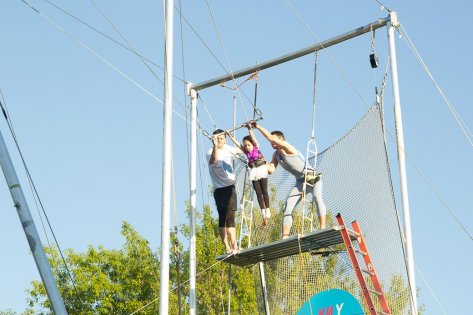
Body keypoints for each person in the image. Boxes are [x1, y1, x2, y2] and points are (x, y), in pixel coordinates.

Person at [251, 121, 327, 239]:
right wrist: (259, 162)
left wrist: (258, 127)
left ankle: (322, 227)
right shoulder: (276, 155)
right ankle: (285, 236)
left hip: (313, 177)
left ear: (281, 140)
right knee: (287, 207)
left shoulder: (288, 147)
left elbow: (270, 137)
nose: (271, 143)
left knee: (317, 197)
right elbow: (271, 169)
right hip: (300, 181)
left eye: (274, 140)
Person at [227, 125, 271, 226]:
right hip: (254, 171)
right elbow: (237, 143)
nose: (247, 147)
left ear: (252, 144)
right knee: (258, 193)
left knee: (264, 191)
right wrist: (230, 136)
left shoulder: (256, 147)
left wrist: (249, 129)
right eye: (245, 145)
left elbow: (254, 138)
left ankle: (267, 209)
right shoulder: (246, 152)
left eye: (248, 145)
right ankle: (263, 212)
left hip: (261, 168)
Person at [207, 129, 242, 254]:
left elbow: (243, 150)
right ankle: (226, 246)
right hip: (220, 189)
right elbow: (213, 161)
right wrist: (215, 146)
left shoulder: (228, 148)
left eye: (221, 139)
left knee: (231, 218)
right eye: (217, 139)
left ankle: (234, 245)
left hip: (230, 187)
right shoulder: (211, 151)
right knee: (223, 217)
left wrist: (232, 138)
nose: (220, 141)